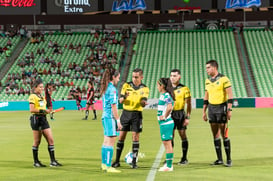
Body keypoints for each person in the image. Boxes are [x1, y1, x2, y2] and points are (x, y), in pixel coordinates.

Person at [112, 68, 149, 169]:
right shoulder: (126, 85)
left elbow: (143, 101)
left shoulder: (145, 88)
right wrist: (123, 98)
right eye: (133, 76)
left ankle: (134, 162)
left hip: (137, 114)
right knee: (121, 137)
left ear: (141, 77)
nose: (134, 79)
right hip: (125, 113)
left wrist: (143, 103)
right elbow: (121, 100)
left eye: (136, 77)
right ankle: (116, 161)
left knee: (135, 138)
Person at [202, 60, 233, 167]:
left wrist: (229, 110)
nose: (206, 70)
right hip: (211, 109)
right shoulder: (207, 81)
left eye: (208, 68)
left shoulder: (224, 79)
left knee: (224, 134)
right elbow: (206, 97)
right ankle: (219, 159)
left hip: (221, 108)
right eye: (206, 68)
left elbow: (230, 96)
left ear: (214, 68)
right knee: (215, 135)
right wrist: (204, 111)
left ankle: (228, 159)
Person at [28, 79, 62, 167]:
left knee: (51, 140)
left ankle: (53, 161)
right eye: (40, 87)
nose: (42, 88)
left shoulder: (42, 97)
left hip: (43, 119)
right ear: (35, 87)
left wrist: (49, 111)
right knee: (37, 141)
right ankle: (36, 162)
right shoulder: (32, 96)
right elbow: (32, 109)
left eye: (43, 87)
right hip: (36, 119)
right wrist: (44, 110)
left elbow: (47, 107)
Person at [100, 69, 122, 173]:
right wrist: (118, 120)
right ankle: (108, 166)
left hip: (105, 116)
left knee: (105, 141)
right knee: (111, 142)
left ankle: (104, 164)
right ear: (113, 77)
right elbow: (113, 105)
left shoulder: (106, 87)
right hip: (110, 118)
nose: (118, 79)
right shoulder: (112, 89)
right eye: (118, 77)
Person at [170, 69, 191, 165]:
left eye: (175, 76)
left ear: (179, 77)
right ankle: (169, 158)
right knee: (170, 136)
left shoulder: (184, 88)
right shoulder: (167, 89)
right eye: (171, 75)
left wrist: (187, 117)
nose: (172, 77)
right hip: (169, 114)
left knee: (182, 135)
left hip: (180, 114)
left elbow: (189, 103)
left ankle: (184, 158)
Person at [157, 78, 175, 172]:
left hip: (166, 123)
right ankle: (168, 165)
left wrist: (164, 116)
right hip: (164, 124)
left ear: (162, 86)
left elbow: (169, 106)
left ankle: (169, 166)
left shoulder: (166, 95)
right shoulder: (164, 95)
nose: (157, 87)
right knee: (166, 144)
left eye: (158, 85)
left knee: (167, 144)